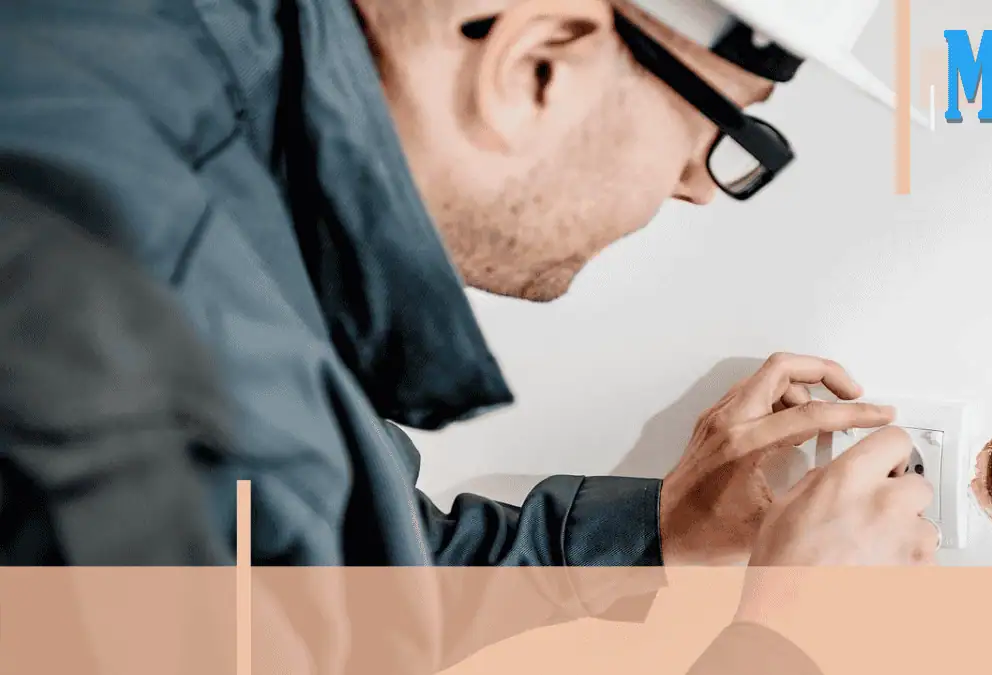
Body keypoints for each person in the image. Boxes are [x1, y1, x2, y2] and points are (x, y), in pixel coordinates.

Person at [0, 0, 938, 672]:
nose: (696, 186)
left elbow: (320, 596)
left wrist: (652, 529)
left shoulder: (158, 79)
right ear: (536, 62)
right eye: (722, 131)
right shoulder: (165, 387)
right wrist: (792, 642)